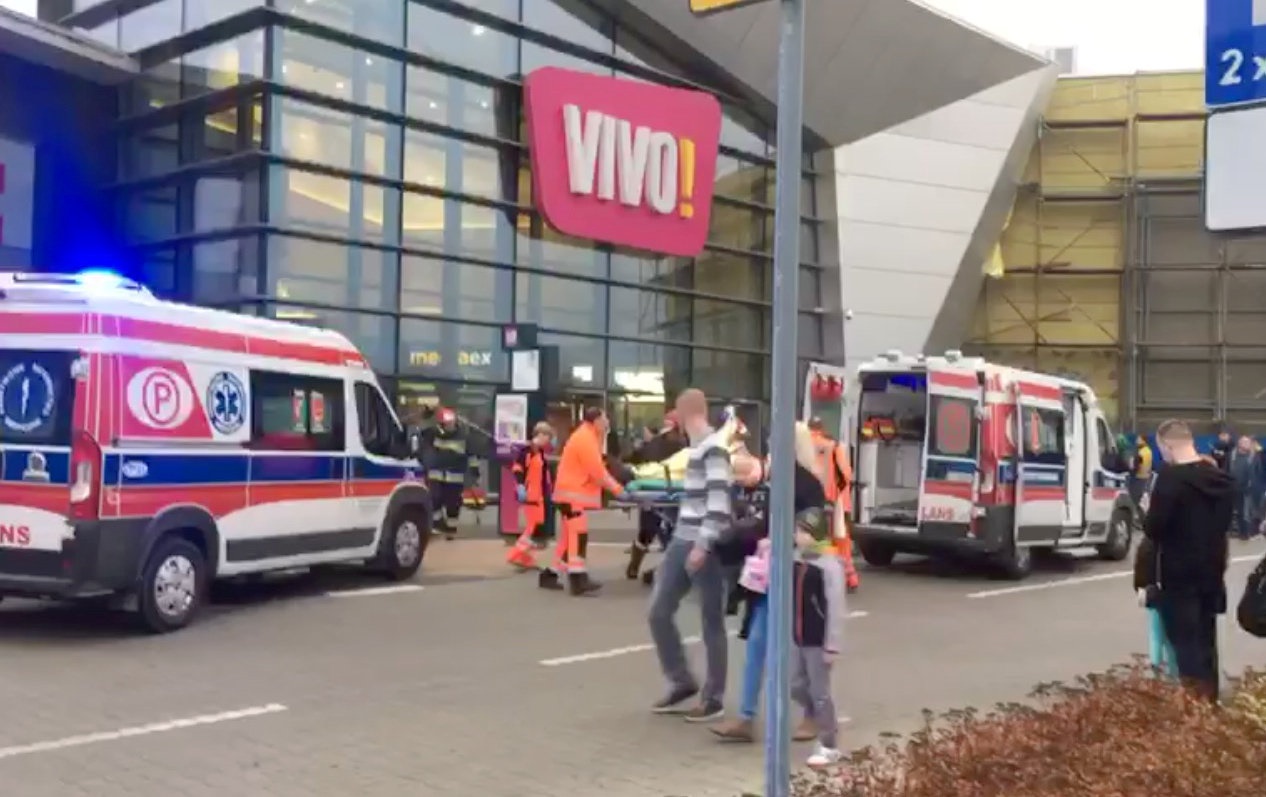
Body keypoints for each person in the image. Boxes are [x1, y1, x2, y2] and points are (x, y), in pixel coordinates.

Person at [712, 421, 833, 745]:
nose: (768, 447)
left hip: (799, 574)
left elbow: (815, 532)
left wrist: (784, 537)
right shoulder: (774, 480)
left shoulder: (808, 485)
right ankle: (746, 717)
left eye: (773, 441)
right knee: (758, 642)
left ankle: (812, 713)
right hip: (770, 573)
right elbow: (764, 523)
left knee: (801, 652)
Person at [648, 388, 733, 722]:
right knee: (658, 611)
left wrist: (703, 543)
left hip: (701, 544)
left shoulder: (714, 450)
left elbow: (719, 503)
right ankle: (682, 680)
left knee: (711, 621)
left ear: (685, 415)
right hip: (683, 538)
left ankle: (713, 698)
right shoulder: (696, 450)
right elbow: (699, 500)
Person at [1145, 419, 1234, 703]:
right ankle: (1210, 702)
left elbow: (1154, 529)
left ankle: (1193, 713)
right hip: (1212, 571)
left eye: (1162, 449)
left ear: (1168, 445)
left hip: (1178, 573)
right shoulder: (1222, 480)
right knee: (1207, 643)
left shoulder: (1170, 480)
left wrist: (1148, 509)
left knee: (1184, 646)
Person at [541, 406, 626, 596]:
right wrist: (618, 489)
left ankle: (550, 574)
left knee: (568, 539)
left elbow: (597, 466)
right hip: (572, 495)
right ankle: (578, 578)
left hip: (569, 494)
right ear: (595, 420)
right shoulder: (586, 439)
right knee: (578, 535)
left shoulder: (587, 436)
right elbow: (597, 472)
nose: (607, 423)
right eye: (605, 419)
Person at [625, 412, 687, 581]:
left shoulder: (658, 444)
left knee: (655, 533)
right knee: (656, 532)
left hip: (662, 493)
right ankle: (642, 567)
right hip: (663, 493)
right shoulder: (679, 446)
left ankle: (642, 568)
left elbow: (634, 461)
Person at [809, 417, 859, 593]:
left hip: (814, 500)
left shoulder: (803, 445)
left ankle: (824, 576)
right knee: (841, 541)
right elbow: (846, 474)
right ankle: (849, 577)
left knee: (818, 540)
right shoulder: (834, 446)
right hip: (837, 502)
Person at [505, 422, 554, 570]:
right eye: (547, 437)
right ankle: (515, 554)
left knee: (532, 528)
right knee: (530, 529)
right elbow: (518, 468)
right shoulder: (528, 451)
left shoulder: (538, 452)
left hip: (537, 496)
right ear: (540, 435)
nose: (548, 441)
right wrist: (520, 486)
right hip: (531, 496)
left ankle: (525, 559)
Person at [1134, 534, 1178, 679]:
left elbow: (1140, 566)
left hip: (1151, 592)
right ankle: (1173, 670)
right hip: (1171, 591)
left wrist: (1140, 587)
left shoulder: (1147, 542)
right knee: (1170, 635)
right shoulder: (1176, 541)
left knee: (1156, 632)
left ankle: (1156, 663)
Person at [424, 407, 471, 539]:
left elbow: (471, 454)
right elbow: (422, 433)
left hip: (455, 476)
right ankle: (438, 523)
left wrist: (473, 473)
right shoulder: (433, 433)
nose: (449, 425)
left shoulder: (463, 435)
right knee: (434, 499)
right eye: (446, 422)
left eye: (451, 422)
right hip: (436, 474)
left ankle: (451, 529)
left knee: (453, 504)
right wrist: (428, 415)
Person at [1229, 435, 1261, 540]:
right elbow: (1225, 471)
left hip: (1248, 491)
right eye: (1245, 442)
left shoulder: (1254, 457)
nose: (1248, 444)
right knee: (1231, 512)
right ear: (1240, 444)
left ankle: (1246, 533)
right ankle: (1232, 532)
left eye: (1248, 442)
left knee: (1246, 513)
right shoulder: (1231, 456)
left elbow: (1259, 473)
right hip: (1232, 489)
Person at [1129, 436, 1153, 510]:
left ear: (1143, 441)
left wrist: (1131, 471)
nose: (1136, 441)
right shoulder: (1148, 451)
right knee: (1143, 497)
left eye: (1138, 440)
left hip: (1138, 477)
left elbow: (1136, 465)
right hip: (1146, 477)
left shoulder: (1141, 453)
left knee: (1134, 498)